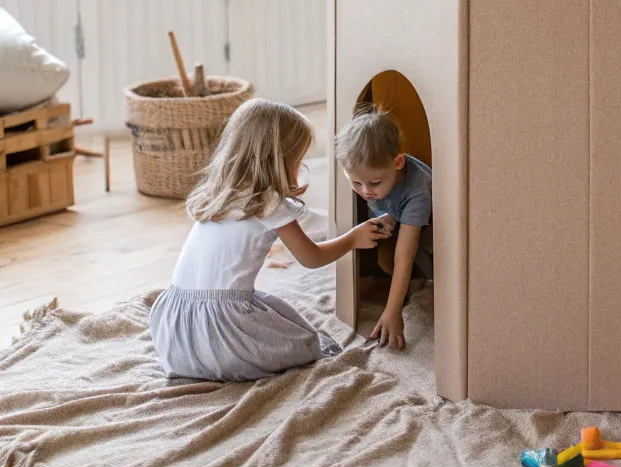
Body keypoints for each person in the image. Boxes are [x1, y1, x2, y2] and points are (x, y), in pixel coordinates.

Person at [148, 98, 387, 381]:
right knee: (304, 342)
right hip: (222, 331)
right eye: (297, 161)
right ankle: (228, 360)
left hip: (174, 333)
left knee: (277, 317)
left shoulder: (218, 195)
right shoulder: (270, 203)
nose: (299, 168)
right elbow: (311, 258)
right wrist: (353, 238)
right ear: (280, 161)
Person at [334, 105, 432, 351]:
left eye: (374, 183)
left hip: (427, 233)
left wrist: (392, 311)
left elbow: (405, 254)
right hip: (394, 222)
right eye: (355, 183)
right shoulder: (371, 181)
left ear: (398, 162)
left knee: (415, 265)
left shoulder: (417, 190)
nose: (366, 191)